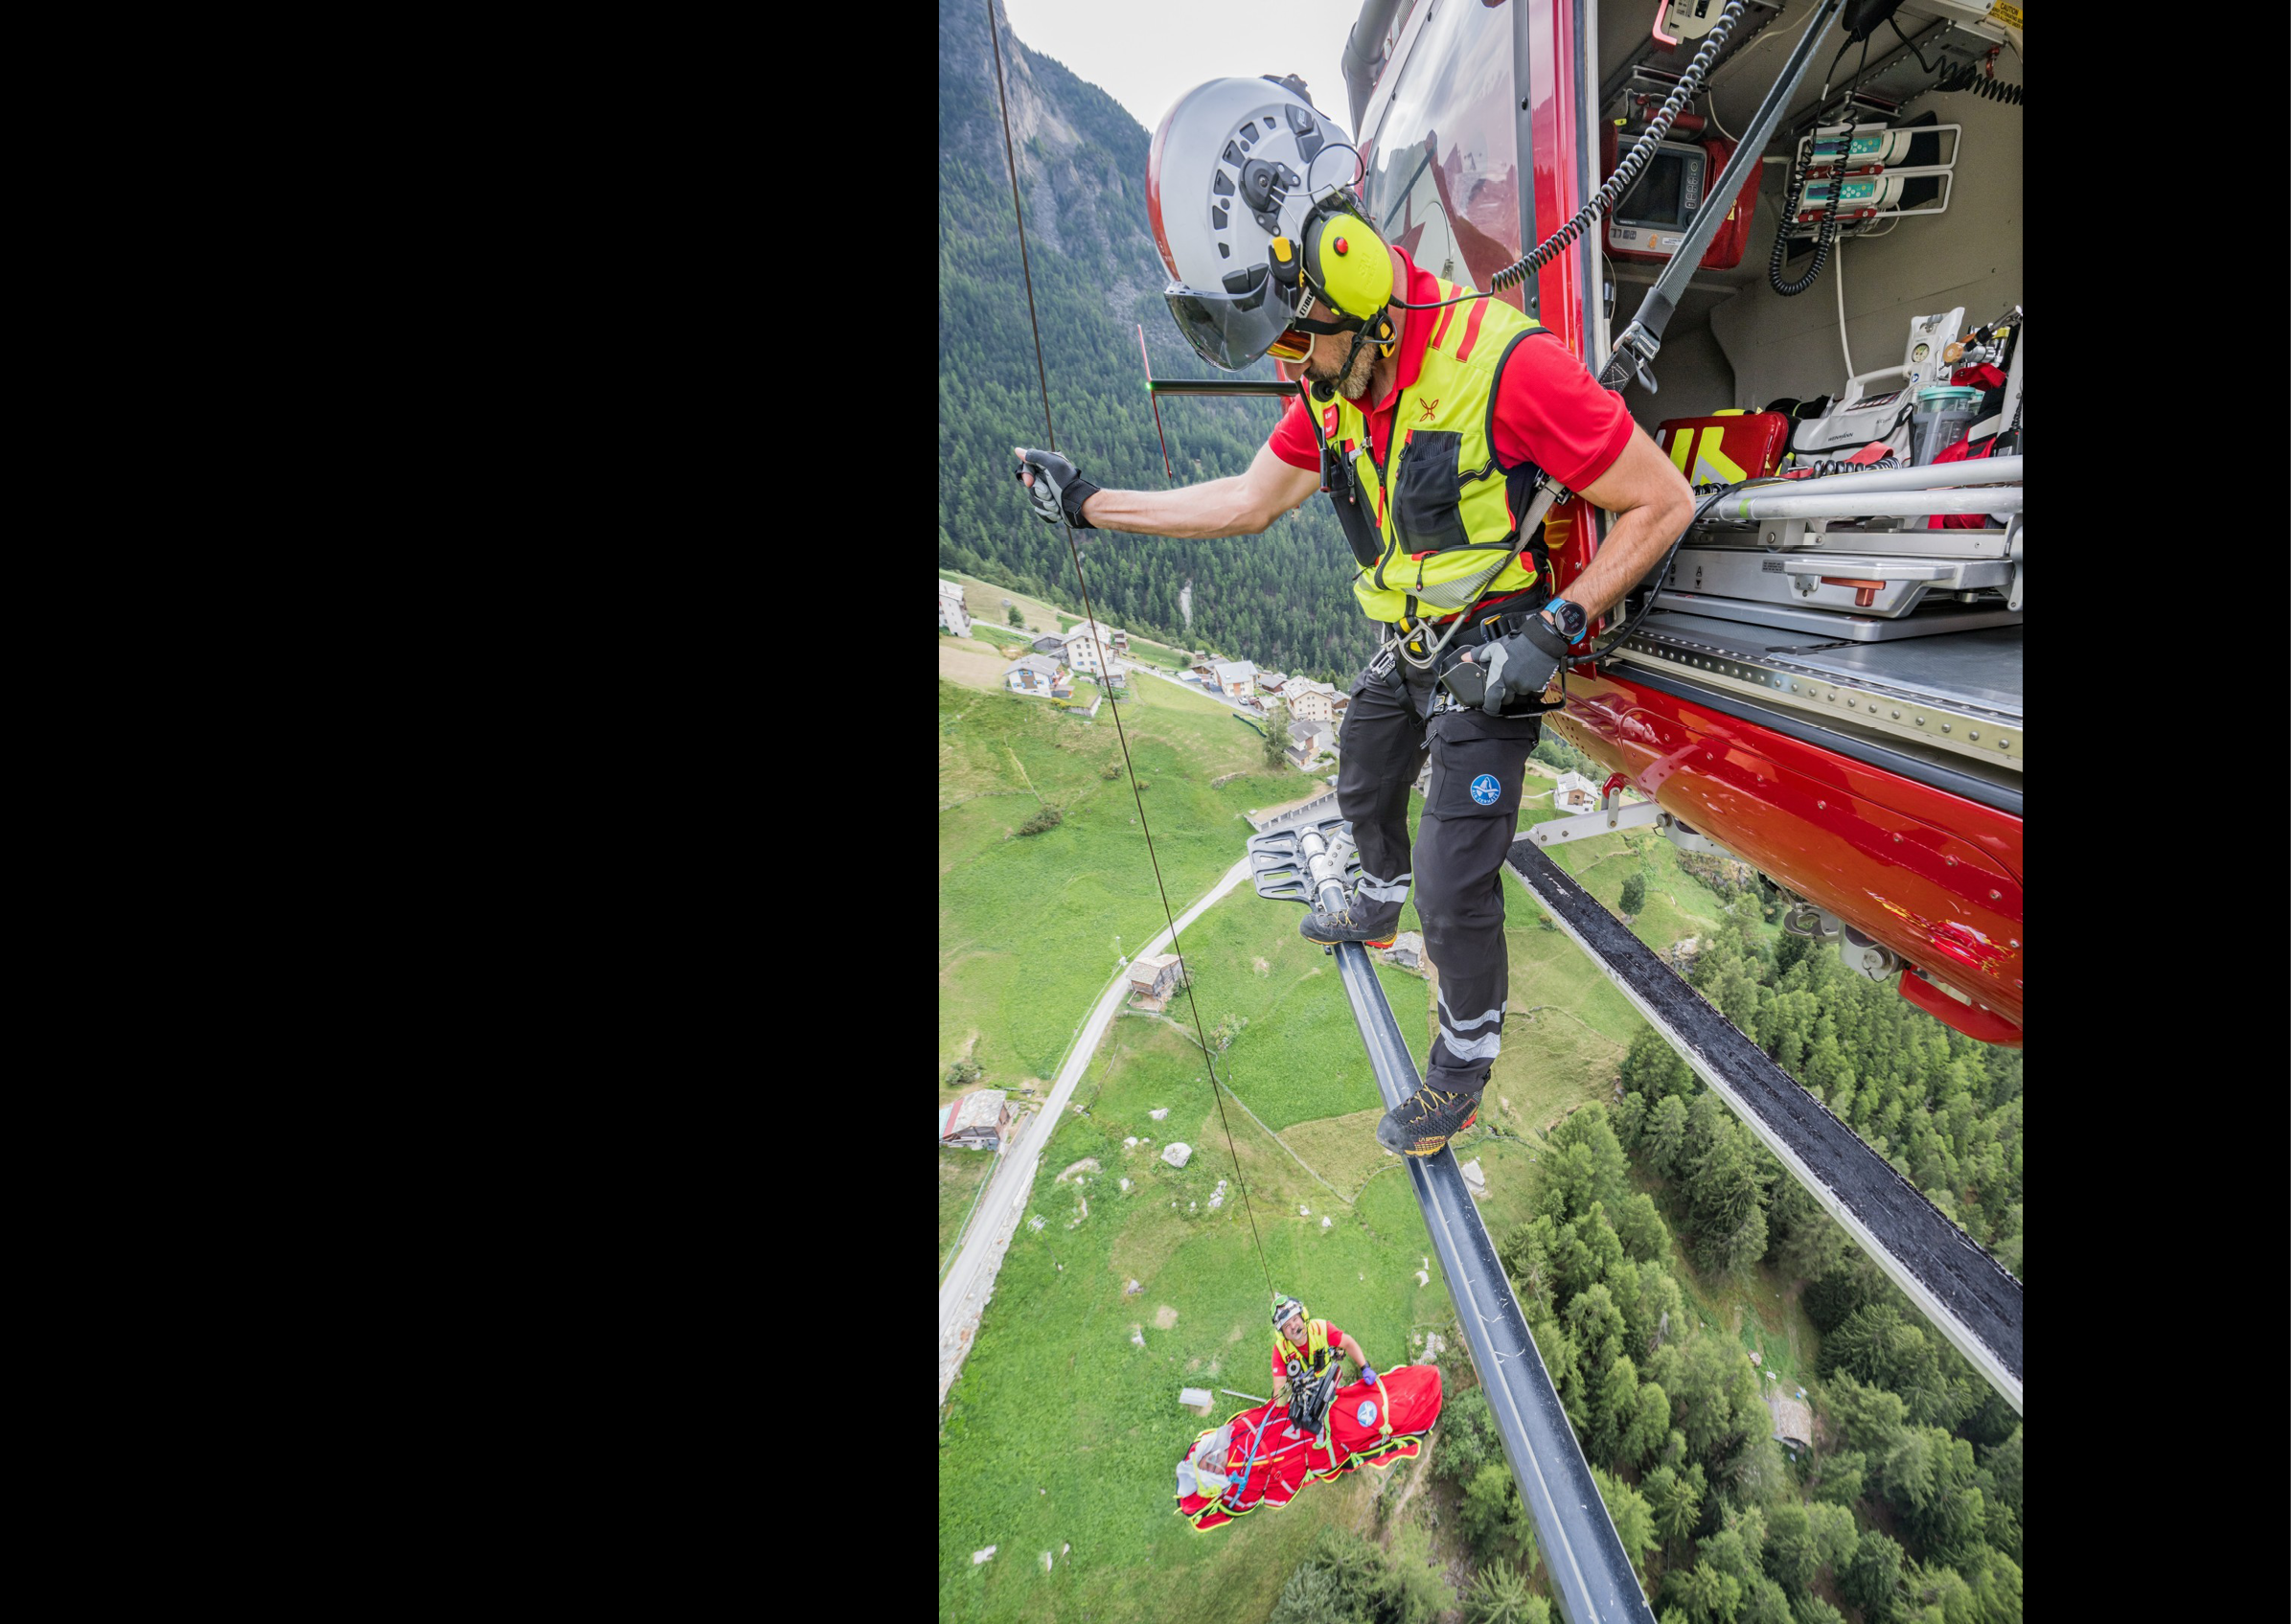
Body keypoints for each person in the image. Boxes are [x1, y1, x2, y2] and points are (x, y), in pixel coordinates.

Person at [1013, 77, 1692, 1158]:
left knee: (1452, 880)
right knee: (1364, 775)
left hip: (1500, 648)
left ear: (1354, 278)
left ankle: (1461, 1064)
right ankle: (1372, 900)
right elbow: (1245, 502)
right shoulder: (1334, 383)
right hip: (1414, 643)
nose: (1291, 367)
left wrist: (1551, 632)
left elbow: (1661, 503)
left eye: (1296, 341)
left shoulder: (1507, 366)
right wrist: (1092, 505)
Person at [1269, 1293, 1374, 1438]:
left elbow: (1348, 1343)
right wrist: (1291, 1391)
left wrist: (1365, 1367)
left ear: (1302, 1315)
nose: (1293, 1326)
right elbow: (1278, 1394)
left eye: (1295, 1319)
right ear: (1282, 1333)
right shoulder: (1280, 1350)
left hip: (1329, 1382)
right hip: (1306, 1395)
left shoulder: (1321, 1328)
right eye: (1287, 1325)